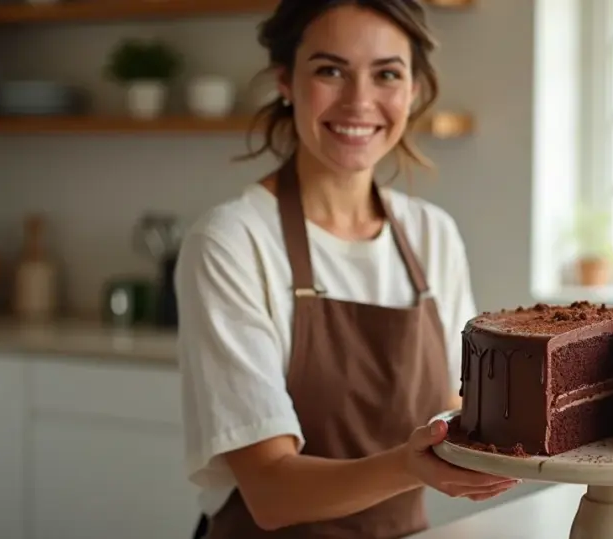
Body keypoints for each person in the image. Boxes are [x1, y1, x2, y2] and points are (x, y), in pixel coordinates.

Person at [174, 1, 518, 538]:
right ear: (285, 80)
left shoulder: (432, 235)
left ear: (413, 91)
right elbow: (269, 492)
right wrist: (408, 465)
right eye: (330, 70)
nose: (360, 101)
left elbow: (456, 406)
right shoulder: (232, 241)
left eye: (386, 74)